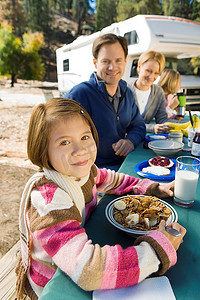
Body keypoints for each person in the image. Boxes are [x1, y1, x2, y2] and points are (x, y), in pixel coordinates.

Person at [15, 97, 186, 300]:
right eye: (64, 142)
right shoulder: (49, 201)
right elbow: (88, 270)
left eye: (85, 137)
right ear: (43, 150)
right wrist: (156, 251)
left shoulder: (84, 172)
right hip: (53, 282)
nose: (80, 151)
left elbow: (111, 179)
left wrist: (150, 187)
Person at [65, 33, 146, 171]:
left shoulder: (128, 94)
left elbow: (138, 125)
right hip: (92, 173)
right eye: (105, 61)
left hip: (123, 165)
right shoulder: (79, 95)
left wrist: (130, 140)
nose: (112, 67)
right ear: (95, 63)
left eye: (118, 60)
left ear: (125, 62)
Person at [129, 51, 171, 134]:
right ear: (139, 67)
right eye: (148, 71)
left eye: (156, 73)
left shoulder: (158, 92)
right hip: (125, 140)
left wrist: (187, 125)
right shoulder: (126, 90)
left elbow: (162, 119)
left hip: (146, 140)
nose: (151, 76)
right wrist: (151, 128)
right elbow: (127, 123)